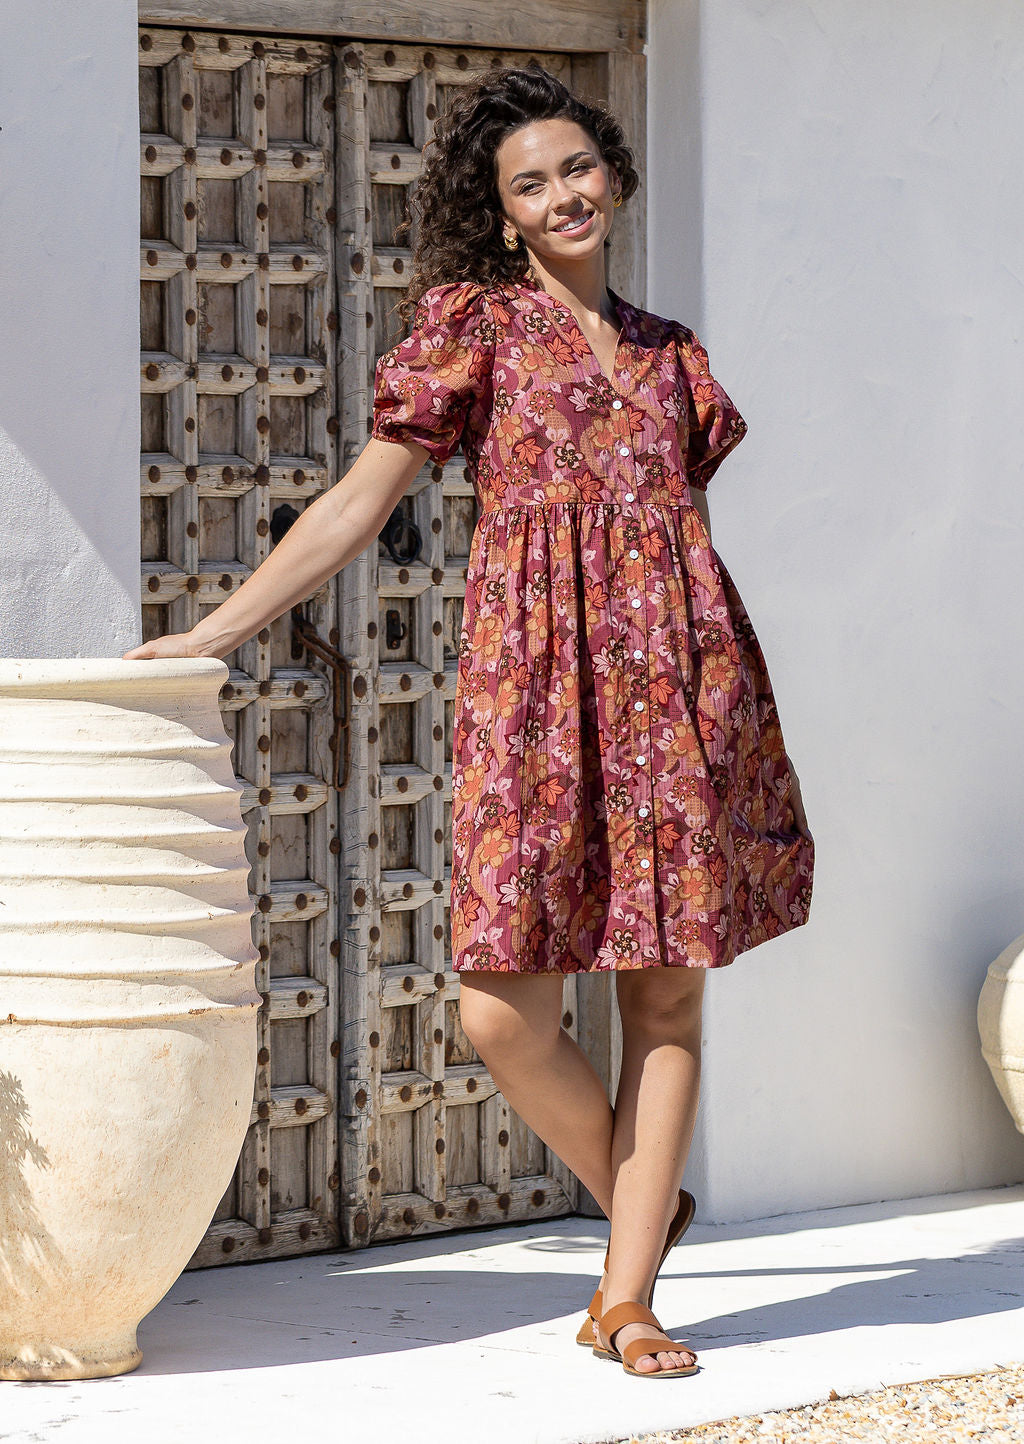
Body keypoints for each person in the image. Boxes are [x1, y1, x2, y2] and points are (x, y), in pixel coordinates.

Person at [126, 64, 814, 1379]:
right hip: (534, 698)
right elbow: (356, 502)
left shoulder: (673, 356)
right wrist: (216, 632)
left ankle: (627, 1300)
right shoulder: (475, 328)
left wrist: (707, 694)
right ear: (502, 215)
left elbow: (679, 540)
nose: (564, 197)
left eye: (578, 169)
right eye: (531, 184)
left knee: (667, 997)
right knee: (501, 1013)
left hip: (681, 694)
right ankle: (639, 1203)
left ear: (613, 176)